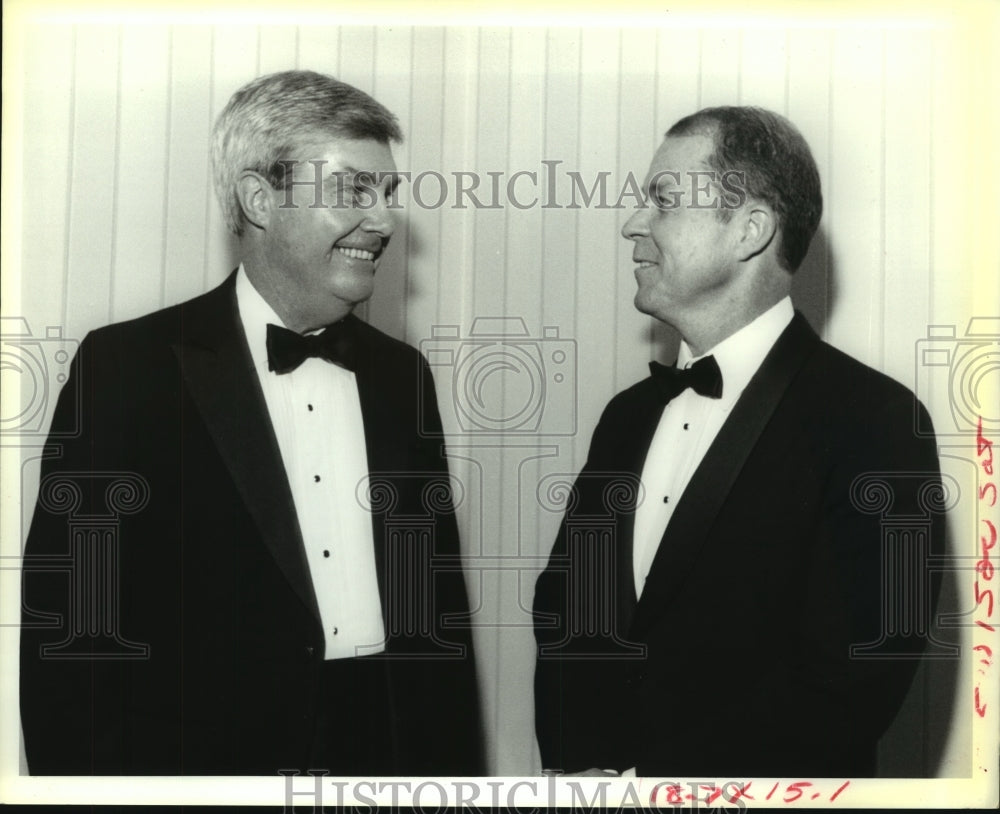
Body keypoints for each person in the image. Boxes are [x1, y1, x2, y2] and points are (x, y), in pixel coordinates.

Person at [20, 70, 482, 776]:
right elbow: (69, 632)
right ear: (259, 198)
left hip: (385, 766)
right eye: (354, 189)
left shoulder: (403, 378)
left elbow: (438, 625)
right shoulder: (127, 369)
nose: (385, 220)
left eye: (387, 194)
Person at [533, 106, 946, 778]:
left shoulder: (878, 421)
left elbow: (857, 684)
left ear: (750, 230)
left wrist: (656, 786)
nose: (633, 224)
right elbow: (563, 615)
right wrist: (577, 770)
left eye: (663, 200)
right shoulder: (626, 418)